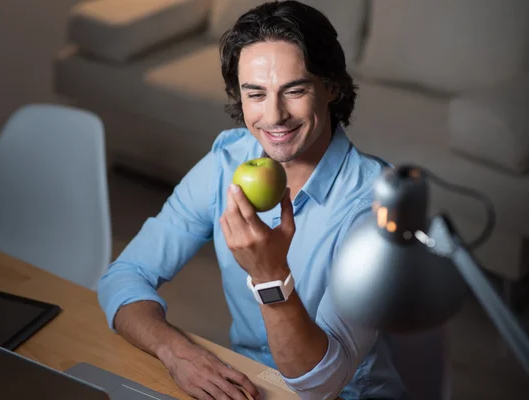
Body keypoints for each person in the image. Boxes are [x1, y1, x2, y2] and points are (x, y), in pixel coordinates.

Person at [97, 1, 408, 399]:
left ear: (331, 87)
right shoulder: (227, 162)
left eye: (294, 90)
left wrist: (270, 277)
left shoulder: (376, 206)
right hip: (249, 384)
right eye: (255, 94)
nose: (274, 116)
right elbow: (123, 277)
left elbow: (323, 383)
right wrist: (176, 353)